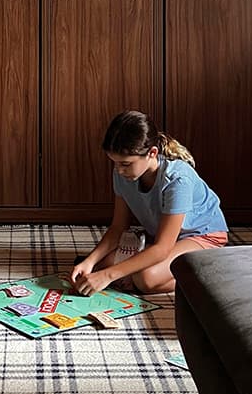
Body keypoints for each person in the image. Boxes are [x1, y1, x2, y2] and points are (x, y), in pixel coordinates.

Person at [71, 109, 227, 296]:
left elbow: (162, 248)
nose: (119, 170)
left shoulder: (178, 179)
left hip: (202, 236)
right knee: (97, 267)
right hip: (161, 236)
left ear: (152, 153)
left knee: (146, 278)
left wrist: (109, 276)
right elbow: (117, 228)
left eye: (125, 164)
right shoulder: (122, 174)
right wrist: (89, 261)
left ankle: (209, 274)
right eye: (115, 163)